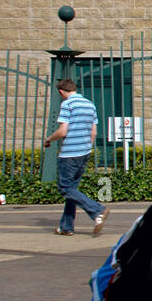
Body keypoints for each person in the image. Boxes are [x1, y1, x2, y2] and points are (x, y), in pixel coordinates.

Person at [44, 79, 108, 237]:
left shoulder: (67, 104)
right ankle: (66, 227)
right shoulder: (89, 104)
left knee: (64, 188)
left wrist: (49, 139)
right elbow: (94, 132)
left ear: (61, 92)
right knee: (72, 190)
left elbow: (62, 131)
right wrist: (87, 147)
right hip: (84, 152)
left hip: (69, 154)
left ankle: (97, 210)